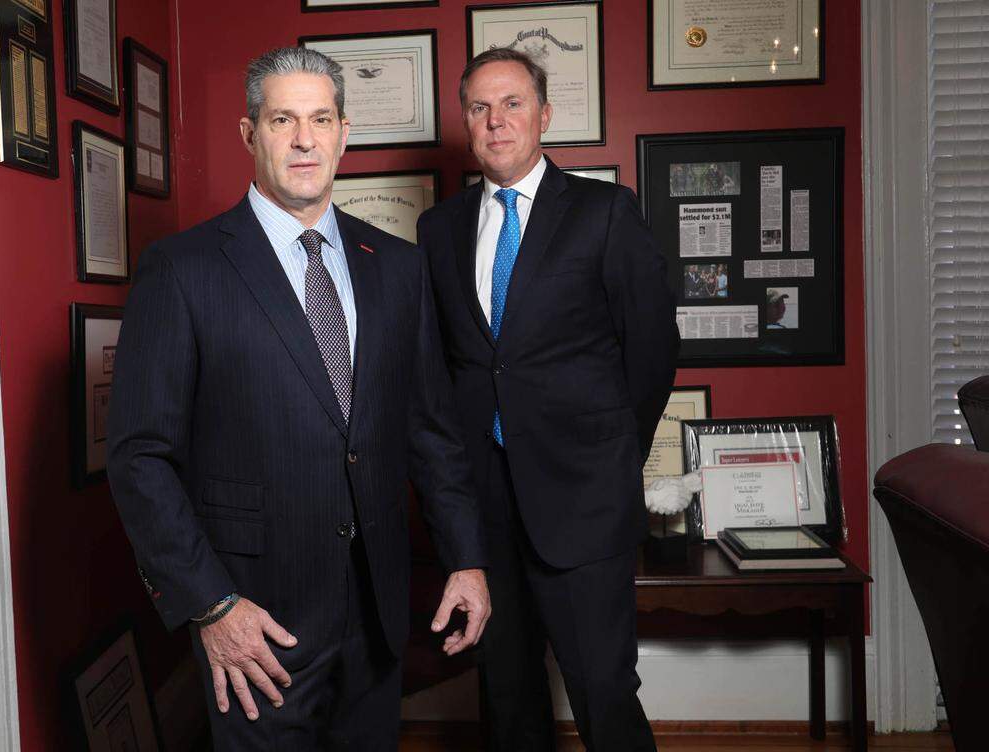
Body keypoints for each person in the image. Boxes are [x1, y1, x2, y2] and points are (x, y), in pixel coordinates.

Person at [107, 46, 490, 751]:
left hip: (376, 616)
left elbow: (431, 433)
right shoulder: (184, 269)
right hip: (256, 622)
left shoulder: (397, 268)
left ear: (345, 132)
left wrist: (466, 557)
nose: (305, 139)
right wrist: (212, 604)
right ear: (251, 133)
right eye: (283, 119)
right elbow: (139, 458)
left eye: (321, 119)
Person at [416, 48, 679, 751]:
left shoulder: (604, 213)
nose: (495, 121)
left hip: (584, 501)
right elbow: (441, 370)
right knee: (506, 696)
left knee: (602, 691)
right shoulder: (436, 232)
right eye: (479, 107)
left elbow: (652, 353)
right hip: (483, 509)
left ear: (544, 115)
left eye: (512, 104)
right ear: (465, 120)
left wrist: (613, 451)